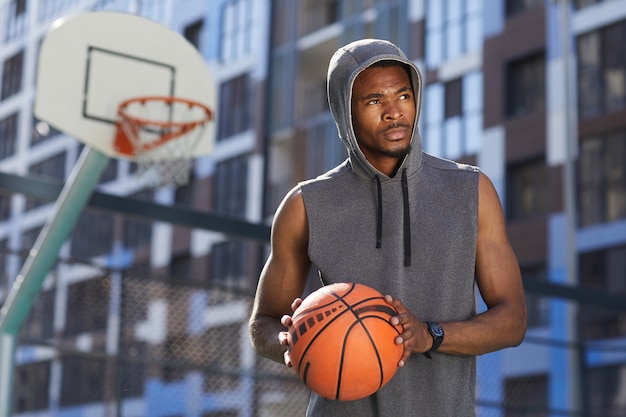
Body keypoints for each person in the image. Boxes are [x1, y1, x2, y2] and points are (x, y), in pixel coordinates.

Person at [249, 38, 527, 417]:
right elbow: (262, 323)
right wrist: (292, 341)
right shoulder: (305, 205)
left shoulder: (470, 190)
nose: (394, 112)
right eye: (374, 101)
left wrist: (430, 335)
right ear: (345, 112)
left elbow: (512, 320)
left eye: (403, 95)